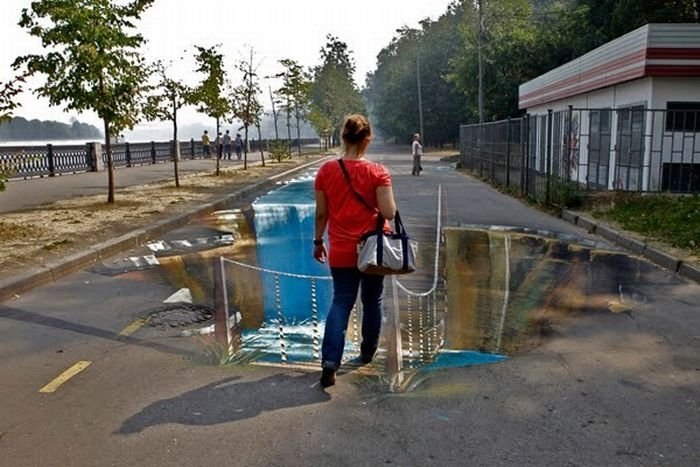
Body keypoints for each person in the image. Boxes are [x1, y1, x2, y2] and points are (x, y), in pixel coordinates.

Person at [312, 114, 397, 388]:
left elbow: (322, 214)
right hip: (372, 251)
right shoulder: (378, 172)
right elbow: (389, 212)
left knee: (341, 302)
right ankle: (367, 351)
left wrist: (317, 242)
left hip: (341, 250)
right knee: (372, 301)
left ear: (343, 137)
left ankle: (329, 363)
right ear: (367, 139)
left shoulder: (326, 171)